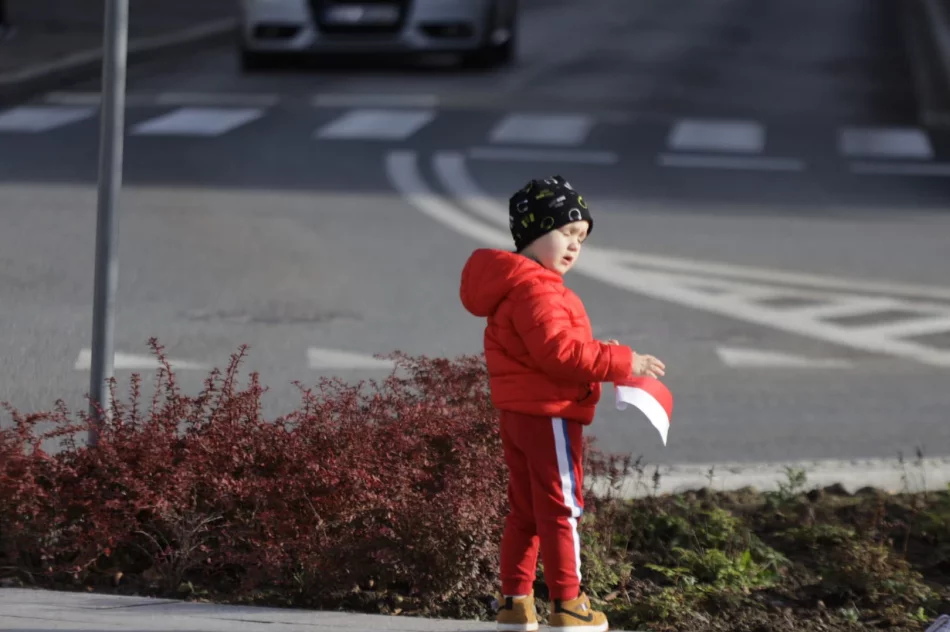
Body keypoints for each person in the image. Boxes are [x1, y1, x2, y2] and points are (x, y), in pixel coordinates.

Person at [459, 175, 666, 631]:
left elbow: (550, 349)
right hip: (549, 414)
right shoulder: (540, 290)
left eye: (582, 238)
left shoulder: (514, 286)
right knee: (562, 510)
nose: (574, 246)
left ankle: (514, 602)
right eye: (566, 232)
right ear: (534, 232)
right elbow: (559, 354)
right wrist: (622, 361)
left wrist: (597, 356)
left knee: (525, 512)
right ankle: (569, 605)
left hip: (519, 414)